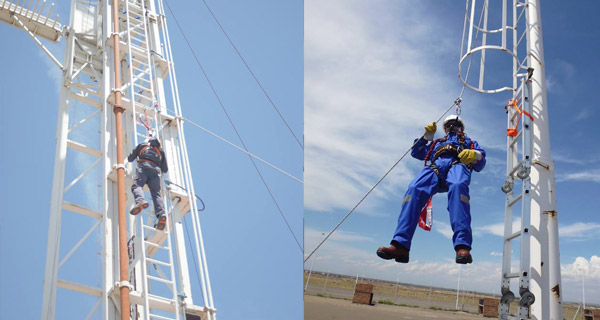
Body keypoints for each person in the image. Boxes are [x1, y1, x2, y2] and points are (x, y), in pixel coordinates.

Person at [376, 115, 486, 264]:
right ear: (445, 128)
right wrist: (426, 137)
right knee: (414, 188)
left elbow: (480, 163)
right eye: (448, 125)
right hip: (436, 166)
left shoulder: (469, 142)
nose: (452, 127)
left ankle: (462, 246)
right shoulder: (436, 143)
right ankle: (400, 245)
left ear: (461, 127)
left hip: (458, 164)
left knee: (458, 185)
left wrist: (475, 155)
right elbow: (417, 152)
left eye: (455, 124)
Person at [127, 137, 169, 230]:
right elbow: (165, 169)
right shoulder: (160, 151)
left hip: (143, 168)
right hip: (155, 173)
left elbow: (130, 158)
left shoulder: (142, 145)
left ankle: (140, 201)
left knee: (137, 186)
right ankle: (161, 213)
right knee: (156, 193)